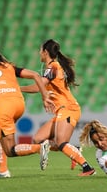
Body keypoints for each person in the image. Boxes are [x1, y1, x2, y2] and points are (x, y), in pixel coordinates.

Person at [0, 48, 55, 178]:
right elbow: (35, 75)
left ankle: (38, 148)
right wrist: (44, 96)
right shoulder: (9, 66)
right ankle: (3, 170)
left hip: (2, 107)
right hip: (19, 103)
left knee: (10, 150)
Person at [21, 39, 96, 176]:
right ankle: (74, 150)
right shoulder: (52, 67)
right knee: (38, 140)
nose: (39, 53)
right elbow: (41, 87)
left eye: (40, 50)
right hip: (62, 109)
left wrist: (17, 88)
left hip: (68, 108)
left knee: (61, 142)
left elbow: (40, 85)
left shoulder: (53, 67)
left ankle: (88, 168)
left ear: (45, 52)